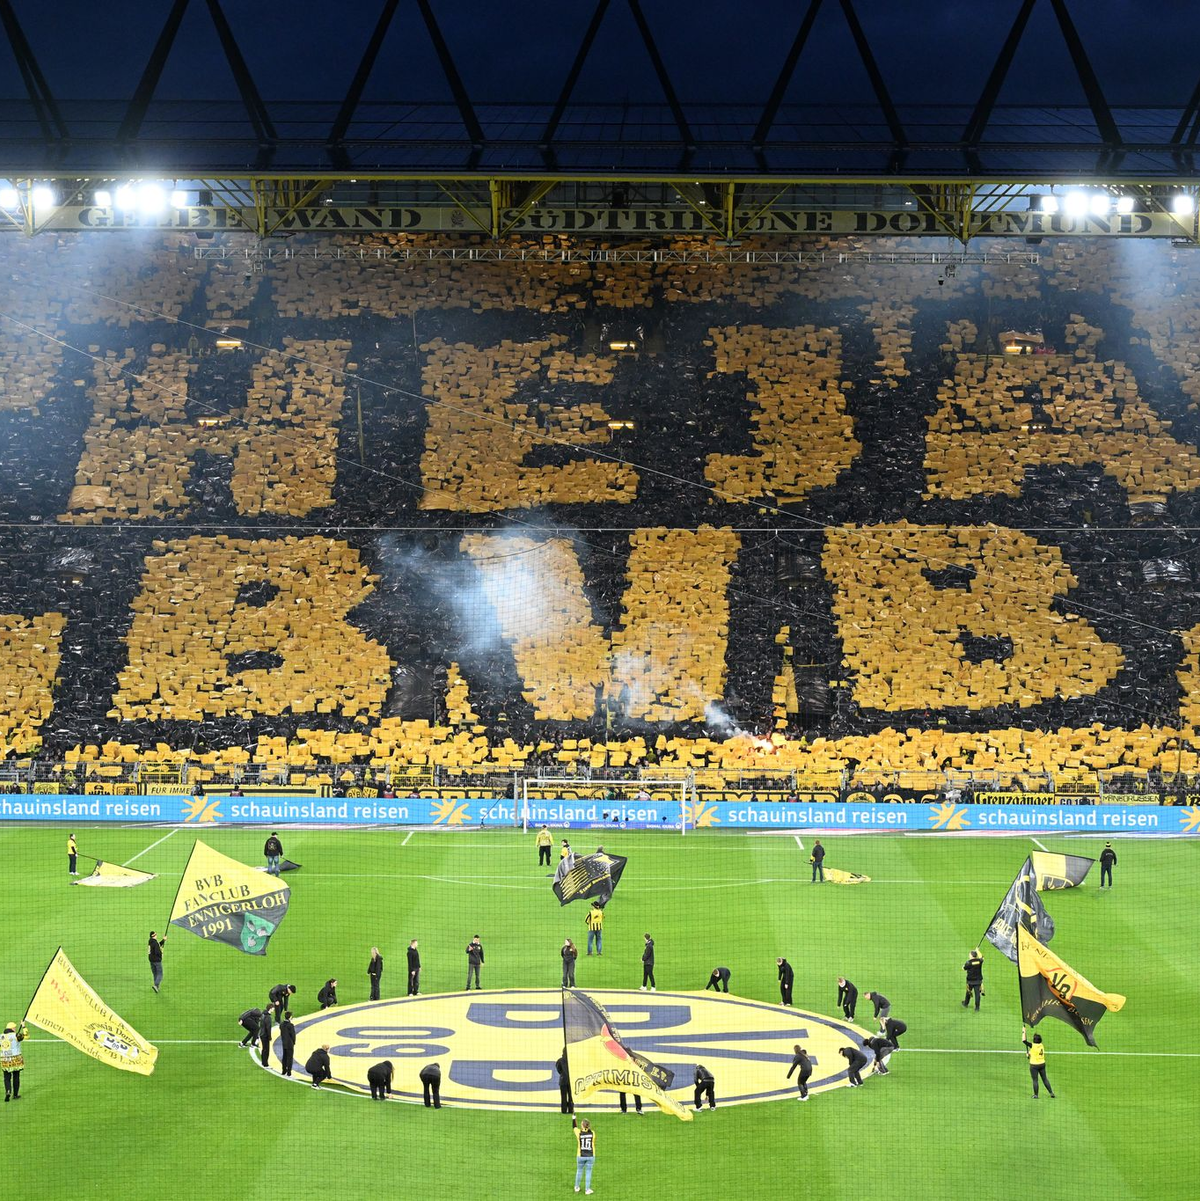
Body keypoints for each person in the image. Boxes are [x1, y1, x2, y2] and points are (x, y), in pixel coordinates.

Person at [1022, 1025, 1055, 1098]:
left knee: (1035, 1080)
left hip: (1034, 1066)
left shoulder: (1032, 1045)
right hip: (1042, 1064)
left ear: (1034, 1040)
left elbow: (1024, 1040)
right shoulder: (1041, 1045)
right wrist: (1029, 1054)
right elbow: (1034, 1052)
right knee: (1045, 1079)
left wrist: (1024, 1031)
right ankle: (1051, 1093)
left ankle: (1036, 1095)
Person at [2, 1021, 27, 1101]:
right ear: (12, 1028)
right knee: (16, 1076)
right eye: (15, 1028)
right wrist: (23, 1026)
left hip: (5, 1060)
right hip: (16, 1060)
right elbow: (26, 1036)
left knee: (7, 1077)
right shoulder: (16, 1035)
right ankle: (15, 1095)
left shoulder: (1, 1036)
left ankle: (8, 1091)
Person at [573, 1116, 596, 1195]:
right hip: (590, 1155)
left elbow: (574, 1126)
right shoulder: (593, 1133)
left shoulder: (578, 1133)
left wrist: (574, 1118)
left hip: (580, 1155)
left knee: (579, 1171)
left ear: (582, 1125)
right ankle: (587, 1189)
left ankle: (576, 1187)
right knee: (588, 1172)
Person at [278, 1011, 296, 1077]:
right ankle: (289, 1073)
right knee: (290, 1058)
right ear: (290, 1017)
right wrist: (293, 1042)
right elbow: (293, 1035)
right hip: (289, 1043)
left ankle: (283, 1071)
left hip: (284, 1043)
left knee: (284, 1057)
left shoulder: (282, 1024)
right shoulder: (290, 1025)